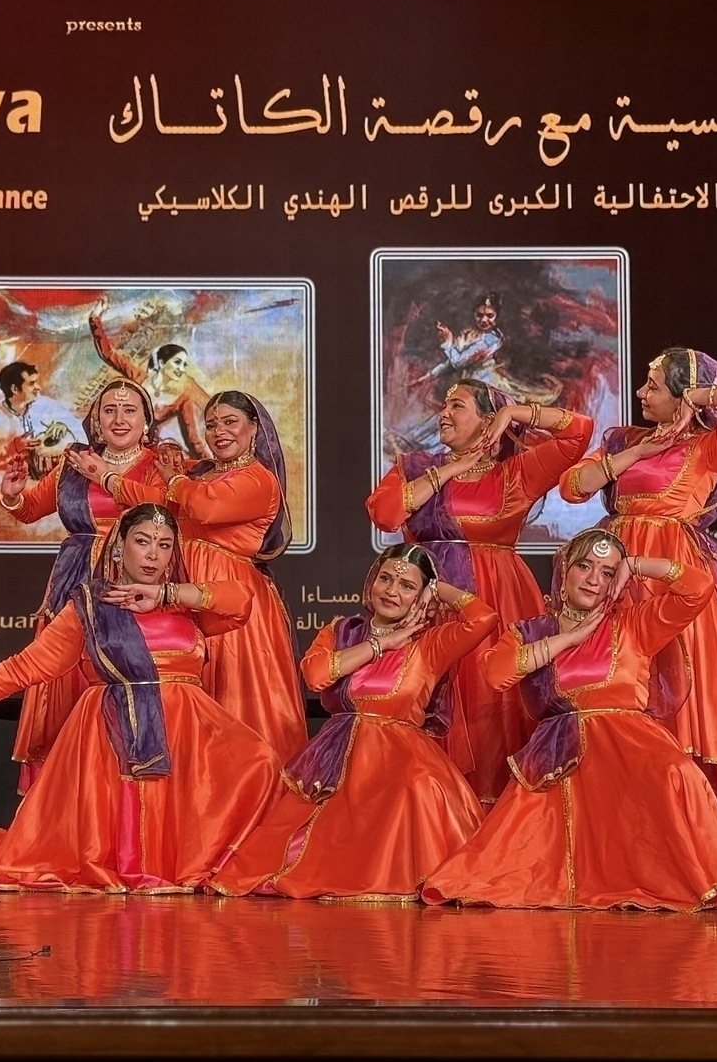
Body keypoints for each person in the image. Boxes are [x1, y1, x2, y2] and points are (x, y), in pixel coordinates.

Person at [0, 504, 280, 893]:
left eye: (164, 545)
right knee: (74, 855)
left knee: (261, 763)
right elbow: (26, 666)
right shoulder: (91, 607)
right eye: (142, 542)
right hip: (113, 738)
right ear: (118, 546)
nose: (153, 554)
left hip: (187, 738)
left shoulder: (186, 605)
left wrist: (165, 594)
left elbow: (241, 602)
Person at [421, 529, 717, 913]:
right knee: (503, 870)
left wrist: (636, 565)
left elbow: (698, 588)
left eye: (607, 572)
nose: (593, 579)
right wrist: (568, 640)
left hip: (631, 746)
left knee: (678, 773)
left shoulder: (634, 624)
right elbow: (496, 673)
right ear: (564, 571)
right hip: (559, 751)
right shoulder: (531, 631)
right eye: (584, 567)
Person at [558, 347, 717, 831]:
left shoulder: (709, 446)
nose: (641, 392)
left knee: (673, 679)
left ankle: (679, 817)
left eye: (653, 385)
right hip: (614, 563)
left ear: (681, 396)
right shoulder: (622, 439)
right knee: (611, 670)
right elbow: (573, 487)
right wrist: (635, 454)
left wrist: (702, 395)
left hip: (668, 570)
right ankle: (616, 798)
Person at [210, 546, 499, 900]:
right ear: (372, 581)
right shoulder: (342, 631)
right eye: (386, 578)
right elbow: (316, 676)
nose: (392, 591)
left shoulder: (431, 643)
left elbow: (483, 619)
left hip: (402, 758)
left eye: (408, 586)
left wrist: (438, 589)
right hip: (337, 756)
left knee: (418, 788)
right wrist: (382, 644)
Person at [366, 382, 592, 804]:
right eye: (443, 404)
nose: (443, 413)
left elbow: (579, 430)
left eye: (457, 405)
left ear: (488, 420)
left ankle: (489, 815)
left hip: (494, 600)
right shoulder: (415, 466)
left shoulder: (516, 472)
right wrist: (447, 470)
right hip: (427, 602)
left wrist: (513, 414)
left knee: (489, 702)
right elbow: (385, 513)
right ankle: (428, 813)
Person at [110, 390, 308, 758]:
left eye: (230, 422)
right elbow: (158, 501)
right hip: (181, 592)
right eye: (212, 424)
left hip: (230, 603)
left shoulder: (258, 479)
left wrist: (175, 477)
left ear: (254, 428)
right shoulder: (199, 471)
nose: (220, 431)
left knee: (234, 698)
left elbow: (207, 509)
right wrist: (112, 477)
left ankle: (252, 798)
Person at [0, 377, 170, 790]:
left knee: (114, 677)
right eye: (109, 410)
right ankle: (59, 796)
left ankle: (118, 789)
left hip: (130, 584)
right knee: (62, 675)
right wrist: (13, 496)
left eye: (129, 410)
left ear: (146, 420)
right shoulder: (73, 462)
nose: (119, 418)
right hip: (73, 581)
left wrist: (106, 475)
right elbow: (30, 509)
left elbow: (164, 510)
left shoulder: (159, 465)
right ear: (95, 419)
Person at [87, 298, 209, 455]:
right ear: (162, 363)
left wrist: (213, 464)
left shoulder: (182, 399)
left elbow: (193, 440)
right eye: (177, 362)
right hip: (119, 443)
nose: (181, 369)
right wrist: (95, 320)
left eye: (184, 365)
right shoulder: (139, 377)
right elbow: (108, 354)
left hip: (147, 452)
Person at [0, 360, 85, 476]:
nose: (38, 387)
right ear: (15, 389)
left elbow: (80, 431)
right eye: (32, 383)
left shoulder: (46, 405)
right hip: (13, 481)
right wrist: (11, 448)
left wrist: (63, 426)